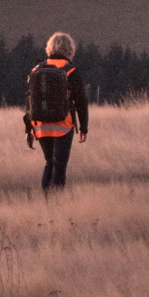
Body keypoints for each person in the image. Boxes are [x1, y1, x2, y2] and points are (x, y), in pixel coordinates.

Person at [25, 31, 88, 192]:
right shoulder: (70, 70)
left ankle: (47, 202)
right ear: (70, 50)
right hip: (63, 125)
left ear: (50, 48)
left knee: (49, 163)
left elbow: (30, 101)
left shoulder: (36, 69)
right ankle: (57, 204)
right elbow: (81, 100)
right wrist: (83, 128)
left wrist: (29, 129)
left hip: (40, 125)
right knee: (59, 166)